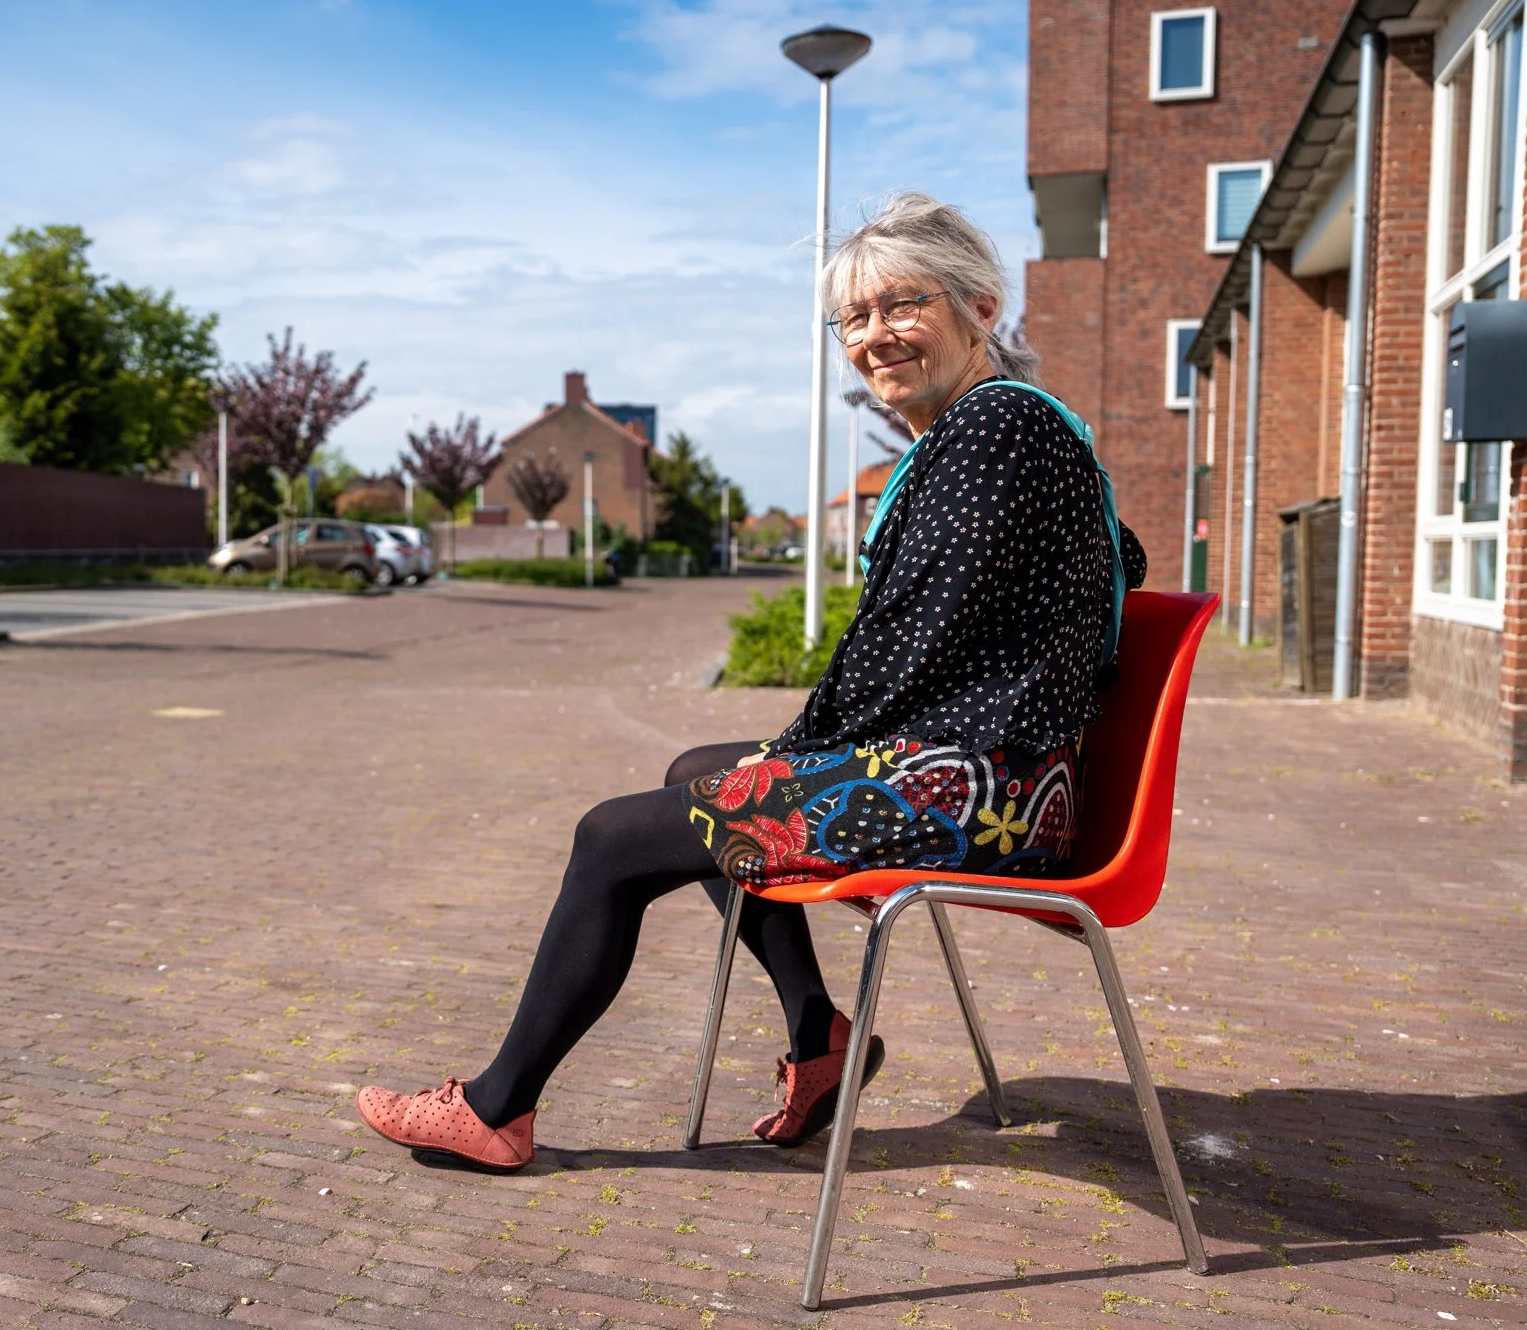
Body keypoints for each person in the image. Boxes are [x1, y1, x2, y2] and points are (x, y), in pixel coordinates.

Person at [353, 192, 1148, 1173]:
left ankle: (495, 1106)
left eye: (902, 306)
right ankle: (820, 1038)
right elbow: (1117, 560)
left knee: (610, 839)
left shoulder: (990, 435)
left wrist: (800, 756)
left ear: (978, 307)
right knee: (698, 770)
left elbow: (908, 644)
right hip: (1006, 777)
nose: (872, 337)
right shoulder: (1009, 429)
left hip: (969, 792)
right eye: (851, 320)